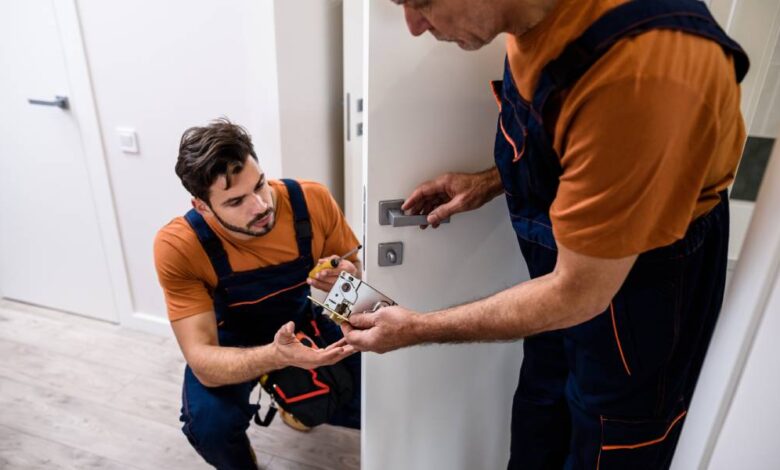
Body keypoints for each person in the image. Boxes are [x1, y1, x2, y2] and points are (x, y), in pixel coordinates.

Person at [343, 0, 749, 468]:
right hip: (569, 281)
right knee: (541, 412)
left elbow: (579, 293)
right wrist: (490, 180)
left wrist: (417, 328)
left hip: (635, 299)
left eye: (422, 2)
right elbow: (583, 149)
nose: (413, 27)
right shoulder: (531, 17)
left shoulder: (638, 75)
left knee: (609, 443)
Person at [153, 118, 361, 469]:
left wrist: (346, 282)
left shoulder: (311, 201)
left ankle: (298, 406)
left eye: (260, 185)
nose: (261, 206)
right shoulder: (179, 246)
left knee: (371, 399)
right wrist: (279, 356)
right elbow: (203, 362)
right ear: (202, 205)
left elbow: (354, 290)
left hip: (300, 319)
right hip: (227, 342)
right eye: (236, 201)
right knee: (209, 427)